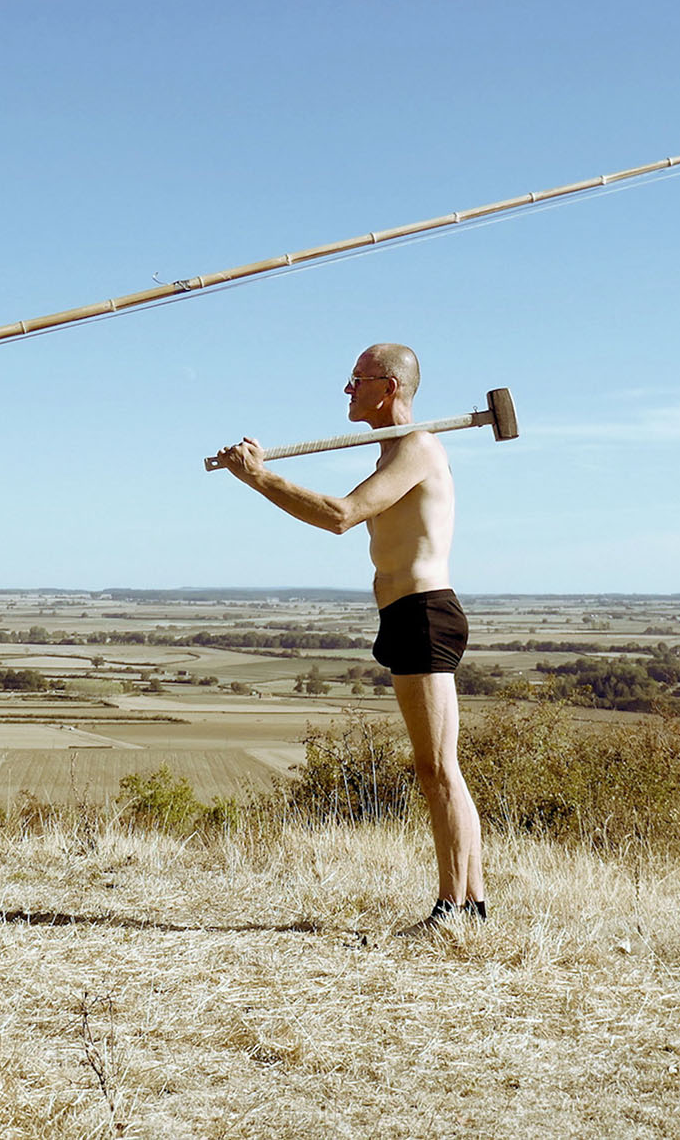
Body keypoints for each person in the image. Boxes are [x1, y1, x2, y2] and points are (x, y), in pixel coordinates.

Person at [213, 343, 485, 935]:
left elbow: (340, 515)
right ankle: (470, 904)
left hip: (424, 613)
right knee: (438, 766)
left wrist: (260, 478)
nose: (347, 389)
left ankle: (455, 907)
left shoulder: (417, 446)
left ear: (387, 387)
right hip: (406, 615)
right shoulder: (394, 450)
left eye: (356, 380)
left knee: (436, 766)